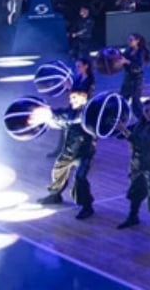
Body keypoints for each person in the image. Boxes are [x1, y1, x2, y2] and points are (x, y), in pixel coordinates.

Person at [39, 89, 96, 220]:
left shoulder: (89, 113)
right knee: (58, 170)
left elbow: (72, 119)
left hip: (84, 152)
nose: (71, 101)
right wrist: (49, 118)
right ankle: (55, 195)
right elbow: (62, 120)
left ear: (84, 98)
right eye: (71, 98)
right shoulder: (72, 112)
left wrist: (52, 114)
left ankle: (87, 206)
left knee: (80, 179)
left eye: (74, 98)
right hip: (69, 150)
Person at [117, 98, 150, 239]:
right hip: (137, 165)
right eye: (147, 110)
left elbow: (143, 142)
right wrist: (115, 124)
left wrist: (125, 131)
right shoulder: (139, 125)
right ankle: (133, 217)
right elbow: (121, 135)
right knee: (135, 192)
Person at [116, 33, 150, 107]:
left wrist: (127, 61)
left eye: (131, 40)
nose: (129, 42)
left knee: (135, 101)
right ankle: (122, 116)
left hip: (137, 79)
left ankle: (142, 116)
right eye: (128, 40)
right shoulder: (128, 50)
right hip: (128, 78)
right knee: (123, 99)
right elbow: (123, 59)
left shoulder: (141, 52)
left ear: (137, 41)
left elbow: (138, 66)